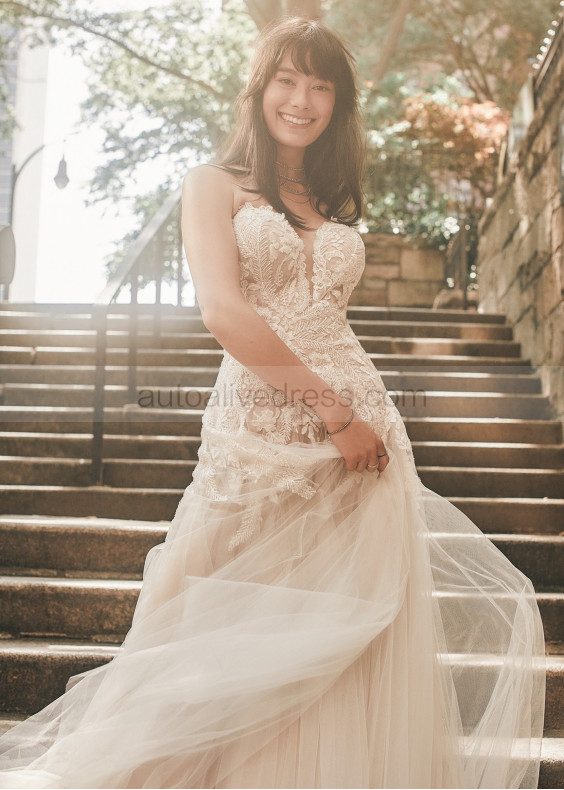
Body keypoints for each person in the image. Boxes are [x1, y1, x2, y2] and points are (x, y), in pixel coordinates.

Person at [0, 17, 546, 790]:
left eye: (321, 86)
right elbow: (224, 313)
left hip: (362, 434)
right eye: (287, 80)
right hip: (266, 430)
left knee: (345, 643)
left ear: (338, 102)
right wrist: (334, 413)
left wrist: (355, 417)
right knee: (228, 631)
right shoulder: (212, 183)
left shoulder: (328, 196)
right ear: (259, 88)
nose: (303, 99)